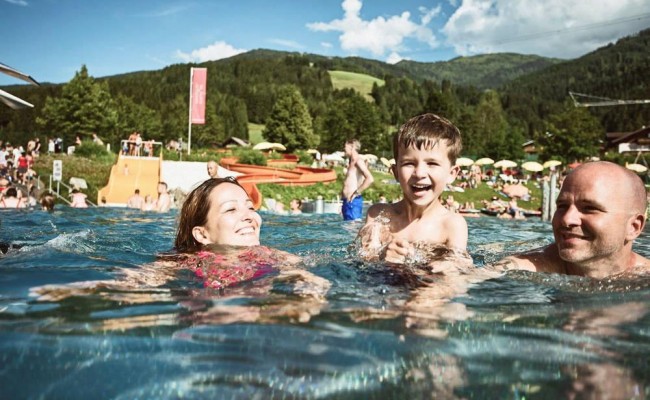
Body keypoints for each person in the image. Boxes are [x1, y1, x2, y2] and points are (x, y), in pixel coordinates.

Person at [494, 161, 649, 278]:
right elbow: (482, 276)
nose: (567, 219)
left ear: (633, 227)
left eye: (589, 208)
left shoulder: (644, 278)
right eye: (562, 206)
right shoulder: (527, 267)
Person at [357, 113, 468, 264]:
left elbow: (457, 272)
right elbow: (361, 262)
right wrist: (382, 256)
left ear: (451, 173)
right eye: (409, 163)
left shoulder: (451, 225)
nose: (419, 173)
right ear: (396, 172)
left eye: (432, 163)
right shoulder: (378, 215)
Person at [341, 139, 374, 221]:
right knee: (346, 229)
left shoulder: (358, 161)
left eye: (345, 147)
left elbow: (370, 178)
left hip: (353, 201)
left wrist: (356, 192)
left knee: (352, 228)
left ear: (352, 147)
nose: (344, 149)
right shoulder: (351, 162)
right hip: (347, 201)